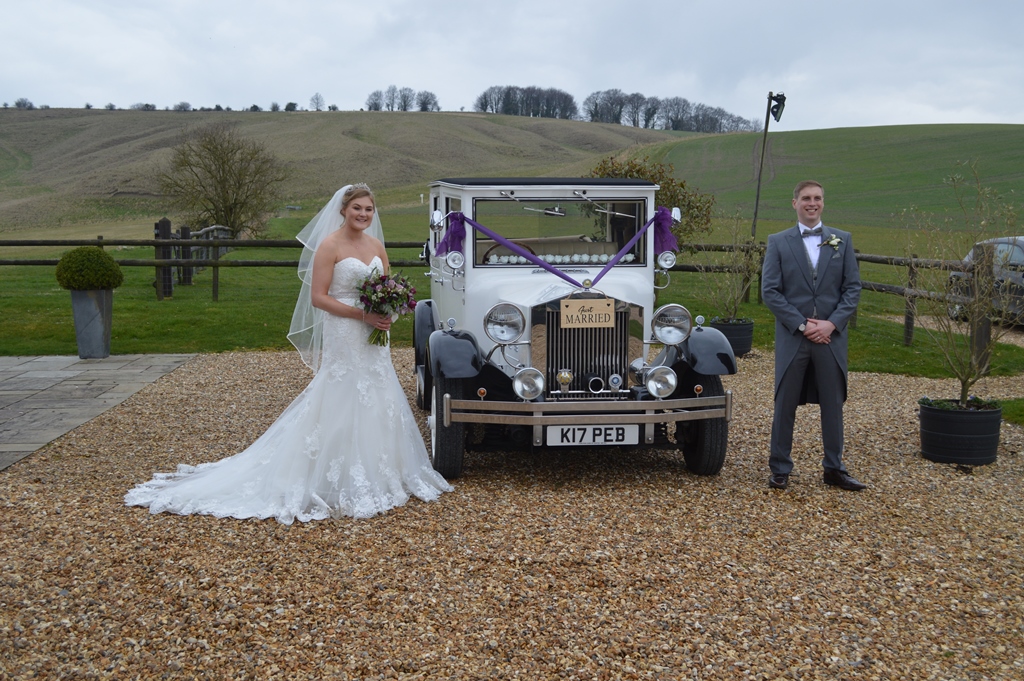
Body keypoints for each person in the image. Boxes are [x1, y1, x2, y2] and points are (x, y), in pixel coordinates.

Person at [125, 184, 453, 523]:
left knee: (377, 388)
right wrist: (362, 314)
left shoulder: (376, 246)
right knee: (342, 391)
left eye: (368, 209)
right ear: (343, 209)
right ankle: (326, 474)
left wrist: (389, 311)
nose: (363, 215)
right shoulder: (330, 246)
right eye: (357, 208)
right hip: (344, 329)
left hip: (374, 333)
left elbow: (387, 287)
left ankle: (381, 471)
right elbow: (319, 298)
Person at [760, 180, 865, 491]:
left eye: (817, 198)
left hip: (831, 338)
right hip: (795, 338)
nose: (812, 203)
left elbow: (852, 289)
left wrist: (831, 324)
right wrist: (804, 326)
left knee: (833, 404)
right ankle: (780, 467)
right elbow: (771, 291)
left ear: (823, 203)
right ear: (794, 203)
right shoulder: (778, 242)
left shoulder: (841, 240)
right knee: (785, 402)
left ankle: (834, 468)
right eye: (806, 198)